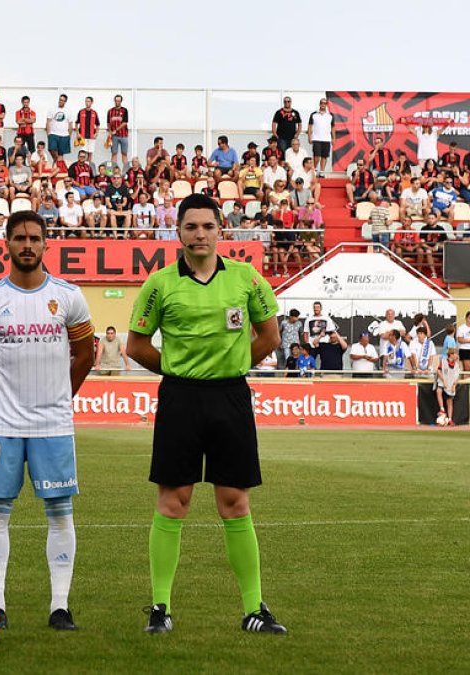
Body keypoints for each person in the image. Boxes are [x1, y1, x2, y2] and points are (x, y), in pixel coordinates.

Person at [127, 192, 286, 635]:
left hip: (230, 398)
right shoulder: (159, 284)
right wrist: (181, 372)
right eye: (190, 227)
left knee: (235, 503)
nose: (199, 234)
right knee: (173, 501)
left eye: (207, 226)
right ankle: (160, 607)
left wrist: (228, 367)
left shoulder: (247, 279)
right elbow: (136, 346)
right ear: (177, 231)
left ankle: (254, 608)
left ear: (221, 230)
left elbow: (270, 336)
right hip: (180, 399)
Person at [0, 210, 95, 631]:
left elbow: (85, 355)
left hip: (53, 425)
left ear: (45, 244)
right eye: (19, 238)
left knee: (60, 511)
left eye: (34, 238)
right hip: (3, 425)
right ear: (7, 244)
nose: (27, 245)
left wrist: (59, 396)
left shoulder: (69, 296)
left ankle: (60, 606)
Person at [434, 347, 462, 425]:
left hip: (450, 383)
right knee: (439, 391)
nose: (457, 356)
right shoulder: (443, 361)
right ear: (451, 354)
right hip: (443, 381)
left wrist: (454, 385)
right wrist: (443, 380)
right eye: (456, 354)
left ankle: (450, 419)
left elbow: (457, 377)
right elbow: (438, 371)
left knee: (450, 402)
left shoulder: (456, 365)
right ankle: (442, 409)